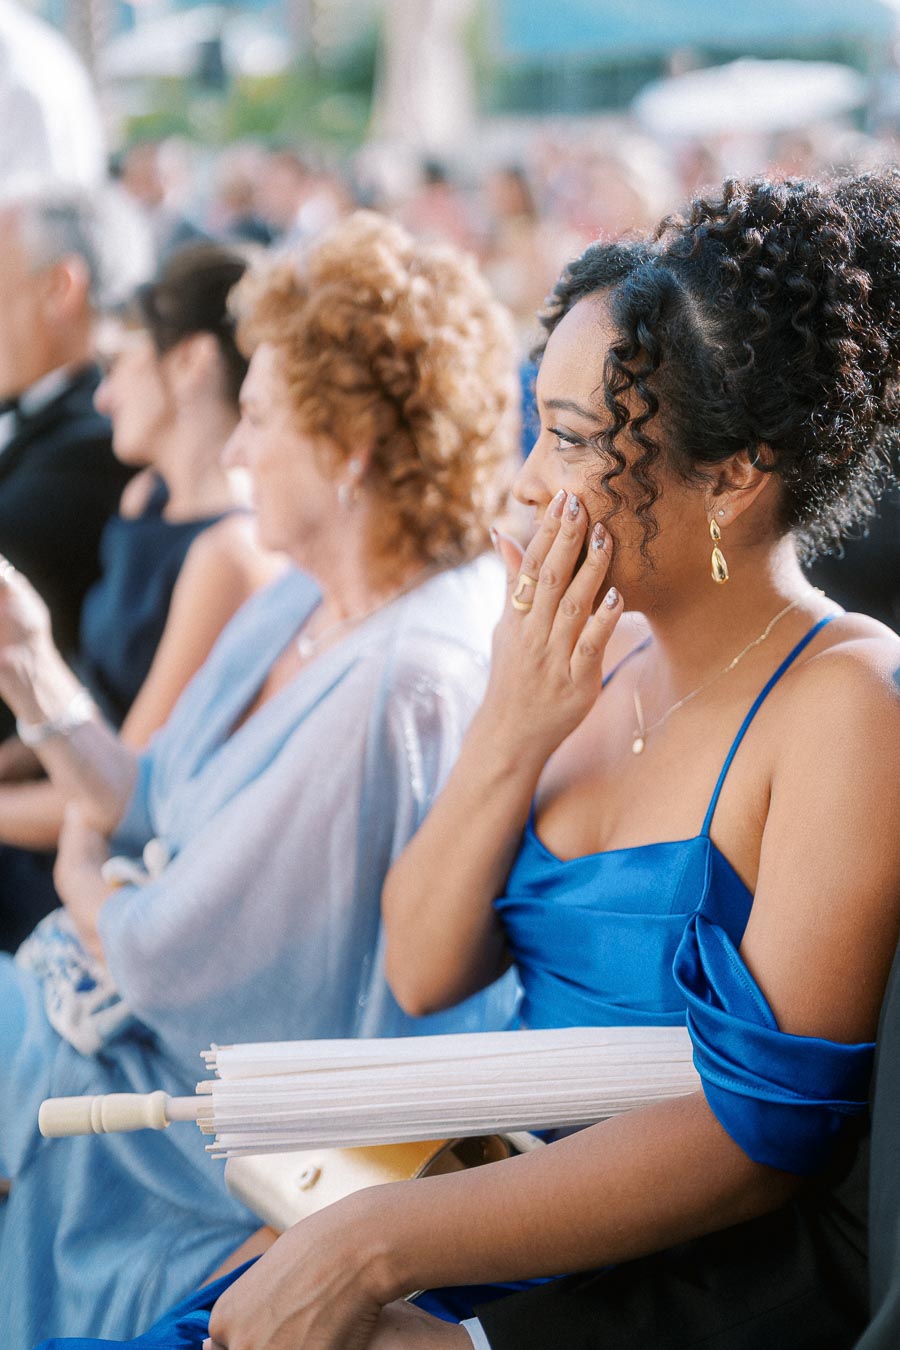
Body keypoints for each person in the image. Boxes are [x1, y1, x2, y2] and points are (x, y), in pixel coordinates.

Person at [102, 170, 898, 1350]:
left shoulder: (848, 702)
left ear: (733, 477)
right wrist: (511, 727)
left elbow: (765, 1131)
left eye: (571, 440)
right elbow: (424, 966)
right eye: (535, 424)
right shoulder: (588, 657)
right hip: (464, 1209)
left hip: (623, 1290)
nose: (524, 482)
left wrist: (376, 1248)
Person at [0, 211, 519, 1347]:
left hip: (212, 1129)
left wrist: (93, 875)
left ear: (351, 451)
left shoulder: (406, 677)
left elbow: (169, 953)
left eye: (260, 419)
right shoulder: (303, 592)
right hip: (117, 1023)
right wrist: (33, 670)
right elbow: (146, 803)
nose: (233, 452)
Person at [0, 241, 279, 951]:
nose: (102, 394)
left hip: (101, 860)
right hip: (54, 812)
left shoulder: (228, 555)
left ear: (188, 363)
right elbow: (89, 698)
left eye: (121, 362)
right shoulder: (143, 497)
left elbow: (122, 788)